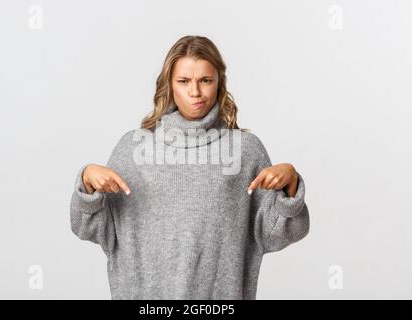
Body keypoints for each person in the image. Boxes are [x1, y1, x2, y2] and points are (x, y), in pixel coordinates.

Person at [70, 35, 310, 300]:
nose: (195, 92)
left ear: (219, 84)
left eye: (205, 80)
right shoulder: (134, 148)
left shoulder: (244, 150)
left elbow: (279, 234)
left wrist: (291, 185)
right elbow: (87, 228)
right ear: (169, 85)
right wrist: (87, 182)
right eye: (184, 81)